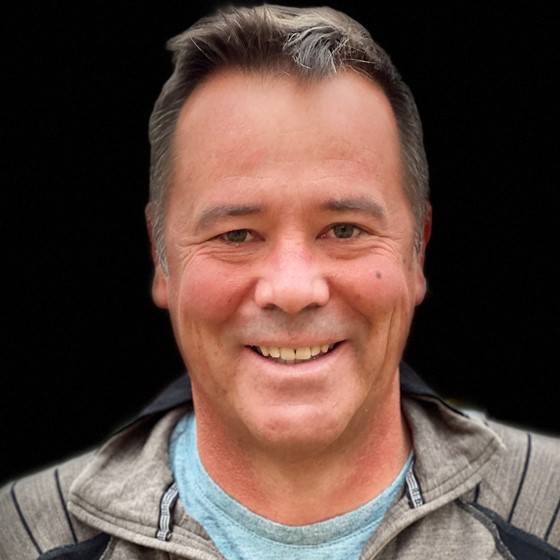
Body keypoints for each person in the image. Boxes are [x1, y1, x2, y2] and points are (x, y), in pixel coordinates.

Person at [1, 4, 558, 559]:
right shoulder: (19, 535)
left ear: (418, 251)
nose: (292, 291)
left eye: (345, 229)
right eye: (237, 235)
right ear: (160, 256)